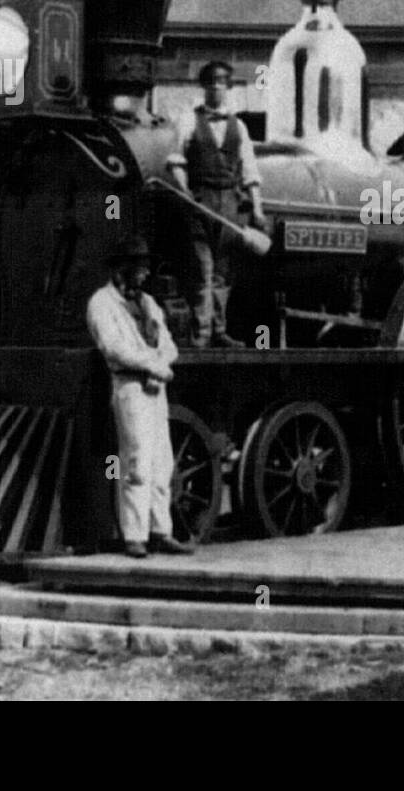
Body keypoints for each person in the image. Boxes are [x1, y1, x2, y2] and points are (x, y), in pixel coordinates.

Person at [86, 235, 189, 558]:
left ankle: (161, 530)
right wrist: (154, 364)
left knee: (162, 460)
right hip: (130, 388)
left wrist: (161, 361)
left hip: (156, 388)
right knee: (136, 460)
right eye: (139, 268)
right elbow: (114, 348)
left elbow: (168, 343)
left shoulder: (148, 303)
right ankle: (134, 535)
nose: (145, 274)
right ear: (121, 270)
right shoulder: (101, 303)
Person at [166, 60, 267, 348]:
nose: (216, 89)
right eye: (211, 83)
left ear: (229, 87)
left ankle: (220, 331)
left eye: (222, 83)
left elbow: (250, 171)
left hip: (232, 206)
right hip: (200, 202)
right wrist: (185, 191)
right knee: (203, 271)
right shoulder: (188, 120)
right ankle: (203, 334)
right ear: (204, 87)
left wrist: (257, 210)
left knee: (223, 274)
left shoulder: (241, 127)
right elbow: (176, 161)